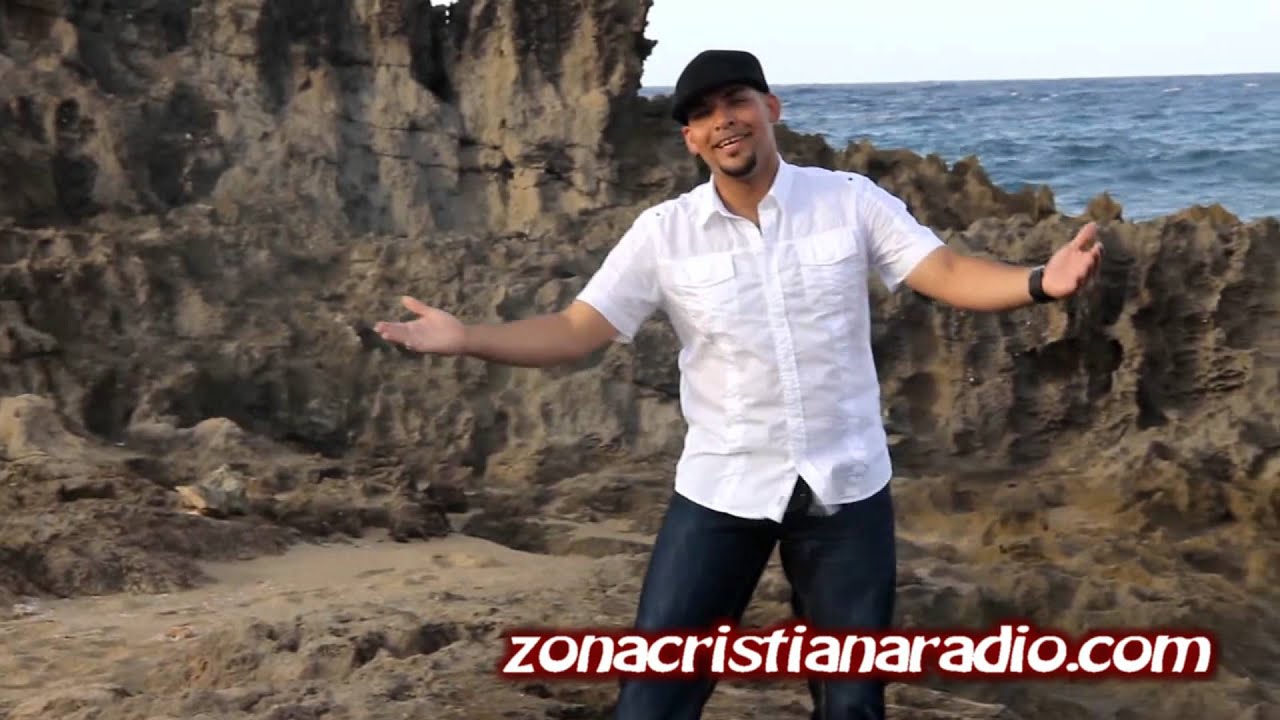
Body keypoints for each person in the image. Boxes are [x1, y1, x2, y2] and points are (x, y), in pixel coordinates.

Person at [375, 49, 1103, 720]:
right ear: (691, 139)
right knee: (653, 699)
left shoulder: (849, 200)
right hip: (723, 487)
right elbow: (575, 328)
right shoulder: (664, 232)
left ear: (770, 108)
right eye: (703, 114)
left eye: (736, 101)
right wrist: (467, 338)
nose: (723, 120)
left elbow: (943, 271)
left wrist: (1041, 281)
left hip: (846, 487)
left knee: (852, 703)